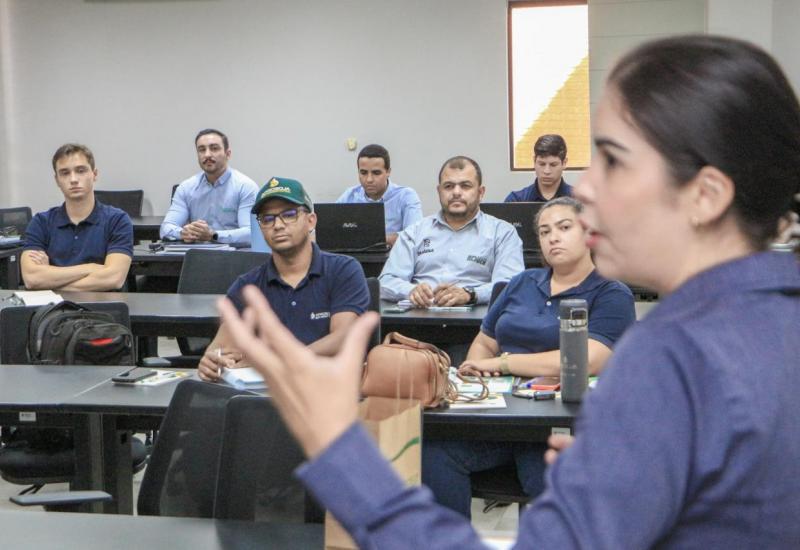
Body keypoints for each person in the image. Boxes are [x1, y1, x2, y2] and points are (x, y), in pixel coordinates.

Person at [216, 35, 800, 548]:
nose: (584, 189)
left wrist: (340, 450)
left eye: (613, 161)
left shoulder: (672, 360)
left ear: (706, 195)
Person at [422, 196, 636, 517]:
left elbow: (587, 359)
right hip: (500, 420)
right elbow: (484, 344)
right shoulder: (522, 282)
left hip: (558, 426)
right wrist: (478, 370)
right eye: (545, 231)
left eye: (564, 228)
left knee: (549, 481)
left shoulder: (611, 293)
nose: (553, 238)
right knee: (434, 452)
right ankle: (452, 539)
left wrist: (503, 363)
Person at [198, 177, 370, 382]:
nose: (277, 225)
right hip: (265, 393)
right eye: (267, 219)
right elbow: (220, 347)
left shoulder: (343, 270)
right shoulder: (247, 286)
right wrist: (211, 361)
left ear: (311, 221)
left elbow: (343, 339)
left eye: (289, 215)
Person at [379, 156, 524, 307]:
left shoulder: (502, 233)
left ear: (481, 192)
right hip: (419, 314)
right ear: (439, 191)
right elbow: (386, 281)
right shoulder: (415, 232)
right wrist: (411, 291)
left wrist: (471, 294)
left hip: (476, 316)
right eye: (448, 186)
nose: (456, 192)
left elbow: (510, 284)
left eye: (465, 186)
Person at [21, 143, 133, 291]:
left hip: (102, 305)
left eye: (81, 171)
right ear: (57, 180)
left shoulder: (117, 220)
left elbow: (113, 278)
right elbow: (32, 278)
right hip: (53, 305)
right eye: (65, 173)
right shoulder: (41, 222)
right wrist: (90, 268)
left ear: (94, 174)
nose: (73, 179)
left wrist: (50, 278)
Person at [160, 129, 258, 246]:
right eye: (202, 150)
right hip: (196, 254)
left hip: (234, 253)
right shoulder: (186, 188)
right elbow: (165, 228)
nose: (207, 155)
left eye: (214, 148)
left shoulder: (245, 187)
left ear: (228, 154)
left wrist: (213, 235)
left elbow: (252, 233)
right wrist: (183, 233)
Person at [335, 144, 423, 247]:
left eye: (376, 173)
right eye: (363, 173)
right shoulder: (350, 195)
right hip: (354, 255)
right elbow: (329, 229)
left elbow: (415, 235)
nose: (369, 179)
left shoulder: (406, 196)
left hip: (394, 255)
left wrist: (369, 239)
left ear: (388, 172)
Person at [505, 134, 572, 202]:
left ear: (564, 163)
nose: (547, 171)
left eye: (553, 165)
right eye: (542, 164)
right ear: (534, 161)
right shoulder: (515, 200)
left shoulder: (577, 200)